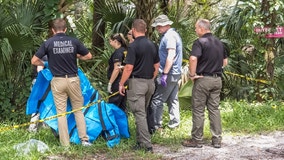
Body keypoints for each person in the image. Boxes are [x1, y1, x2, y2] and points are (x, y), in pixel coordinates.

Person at [31, 18, 93, 147]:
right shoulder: (74, 41)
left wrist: (45, 63)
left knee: (61, 113)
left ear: (53, 30)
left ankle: (65, 144)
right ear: (65, 29)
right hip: (73, 80)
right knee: (78, 110)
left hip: (57, 81)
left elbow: (34, 61)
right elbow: (89, 56)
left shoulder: (48, 43)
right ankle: (84, 140)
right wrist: (76, 55)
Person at [182, 19, 228, 148]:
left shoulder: (199, 42)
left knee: (198, 109)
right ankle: (217, 139)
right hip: (217, 79)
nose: (195, 30)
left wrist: (192, 75)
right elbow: (225, 63)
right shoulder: (219, 43)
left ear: (202, 29)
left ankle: (197, 139)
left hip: (203, 79)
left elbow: (192, 58)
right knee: (214, 109)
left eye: (196, 28)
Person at [119, 19, 160, 153]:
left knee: (140, 114)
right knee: (141, 112)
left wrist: (121, 83)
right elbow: (157, 66)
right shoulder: (153, 45)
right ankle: (140, 142)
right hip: (150, 83)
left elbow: (129, 67)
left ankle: (147, 145)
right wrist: (151, 79)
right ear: (146, 30)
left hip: (137, 83)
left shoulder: (133, 46)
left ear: (133, 30)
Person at [150, 14, 183, 130]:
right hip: (175, 73)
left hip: (169, 73)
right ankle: (174, 124)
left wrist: (164, 74)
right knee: (172, 99)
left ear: (167, 25)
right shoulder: (171, 35)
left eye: (160, 26)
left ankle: (155, 126)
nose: (158, 28)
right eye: (157, 26)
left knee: (157, 100)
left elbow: (171, 55)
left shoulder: (169, 36)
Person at [107, 33, 128, 111]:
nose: (109, 43)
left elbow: (117, 68)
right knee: (122, 106)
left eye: (110, 41)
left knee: (113, 105)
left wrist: (110, 83)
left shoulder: (118, 53)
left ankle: (113, 122)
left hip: (117, 82)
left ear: (115, 41)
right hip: (124, 81)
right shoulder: (125, 50)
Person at [28, 55, 48, 132]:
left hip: (41, 83)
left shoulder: (43, 55)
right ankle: (32, 129)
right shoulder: (45, 57)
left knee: (44, 106)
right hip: (41, 83)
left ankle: (43, 129)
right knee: (38, 106)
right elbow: (40, 70)